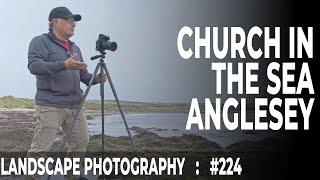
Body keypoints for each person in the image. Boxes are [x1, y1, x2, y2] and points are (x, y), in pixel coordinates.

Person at [27, 6, 106, 168]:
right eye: (69, 20)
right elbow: (34, 66)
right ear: (54, 21)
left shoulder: (74, 48)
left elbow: (83, 76)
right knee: (40, 150)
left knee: (80, 145)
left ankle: (73, 177)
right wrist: (63, 65)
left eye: (74, 21)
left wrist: (96, 79)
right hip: (50, 105)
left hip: (75, 105)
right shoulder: (40, 41)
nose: (73, 24)